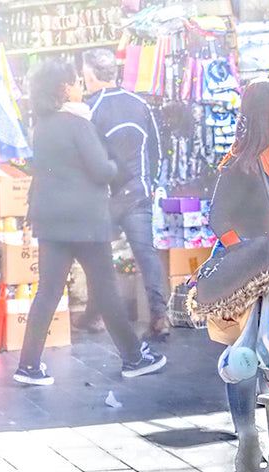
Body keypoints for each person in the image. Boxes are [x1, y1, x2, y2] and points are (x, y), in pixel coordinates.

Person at [14, 59, 166, 386]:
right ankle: (134, 358)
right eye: (75, 82)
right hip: (85, 222)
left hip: (51, 222)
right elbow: (100, 169)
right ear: (63, 88)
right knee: (106, 290)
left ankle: (27, 365)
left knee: (48, 292)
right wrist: (115, 164)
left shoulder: (41, 126)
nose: (80, 87)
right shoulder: (77, 124)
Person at [208, 78, 269, 472]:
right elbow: (218, 220)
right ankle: (248, 440)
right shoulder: (239, 164)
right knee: (244, 357)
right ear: (268, 113)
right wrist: (242, 255)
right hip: (244, 272)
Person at [77, 48, 168, 342]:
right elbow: (156, 148)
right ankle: (159, 315)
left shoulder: (91, 108)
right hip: (139, 192)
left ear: (89, 76)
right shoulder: (140, 104)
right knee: (147, 255)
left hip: (105, 197)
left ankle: (95, 314)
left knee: (96, 258)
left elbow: (85, 157)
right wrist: (151, 182)